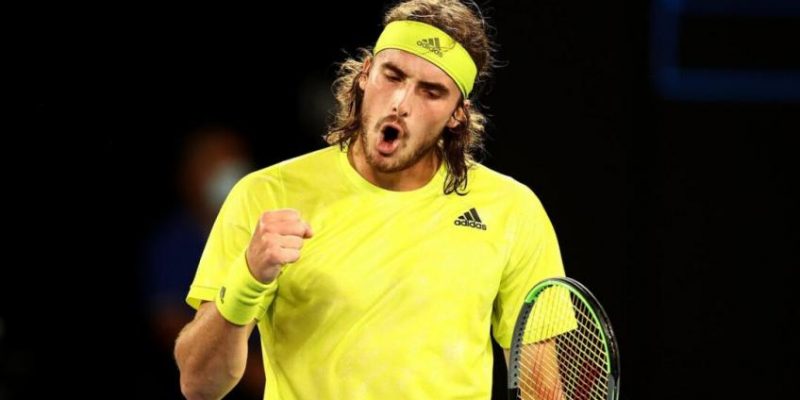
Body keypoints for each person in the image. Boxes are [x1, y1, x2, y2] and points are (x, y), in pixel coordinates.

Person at [174, 1, 566, 399]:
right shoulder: (265, 195)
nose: (401, 103)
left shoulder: (512, 210)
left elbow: (542, 389)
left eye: (431, 92)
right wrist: (247, 278)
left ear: (456, 115)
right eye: (392, 76)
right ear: (365, 74)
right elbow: (198, 385)